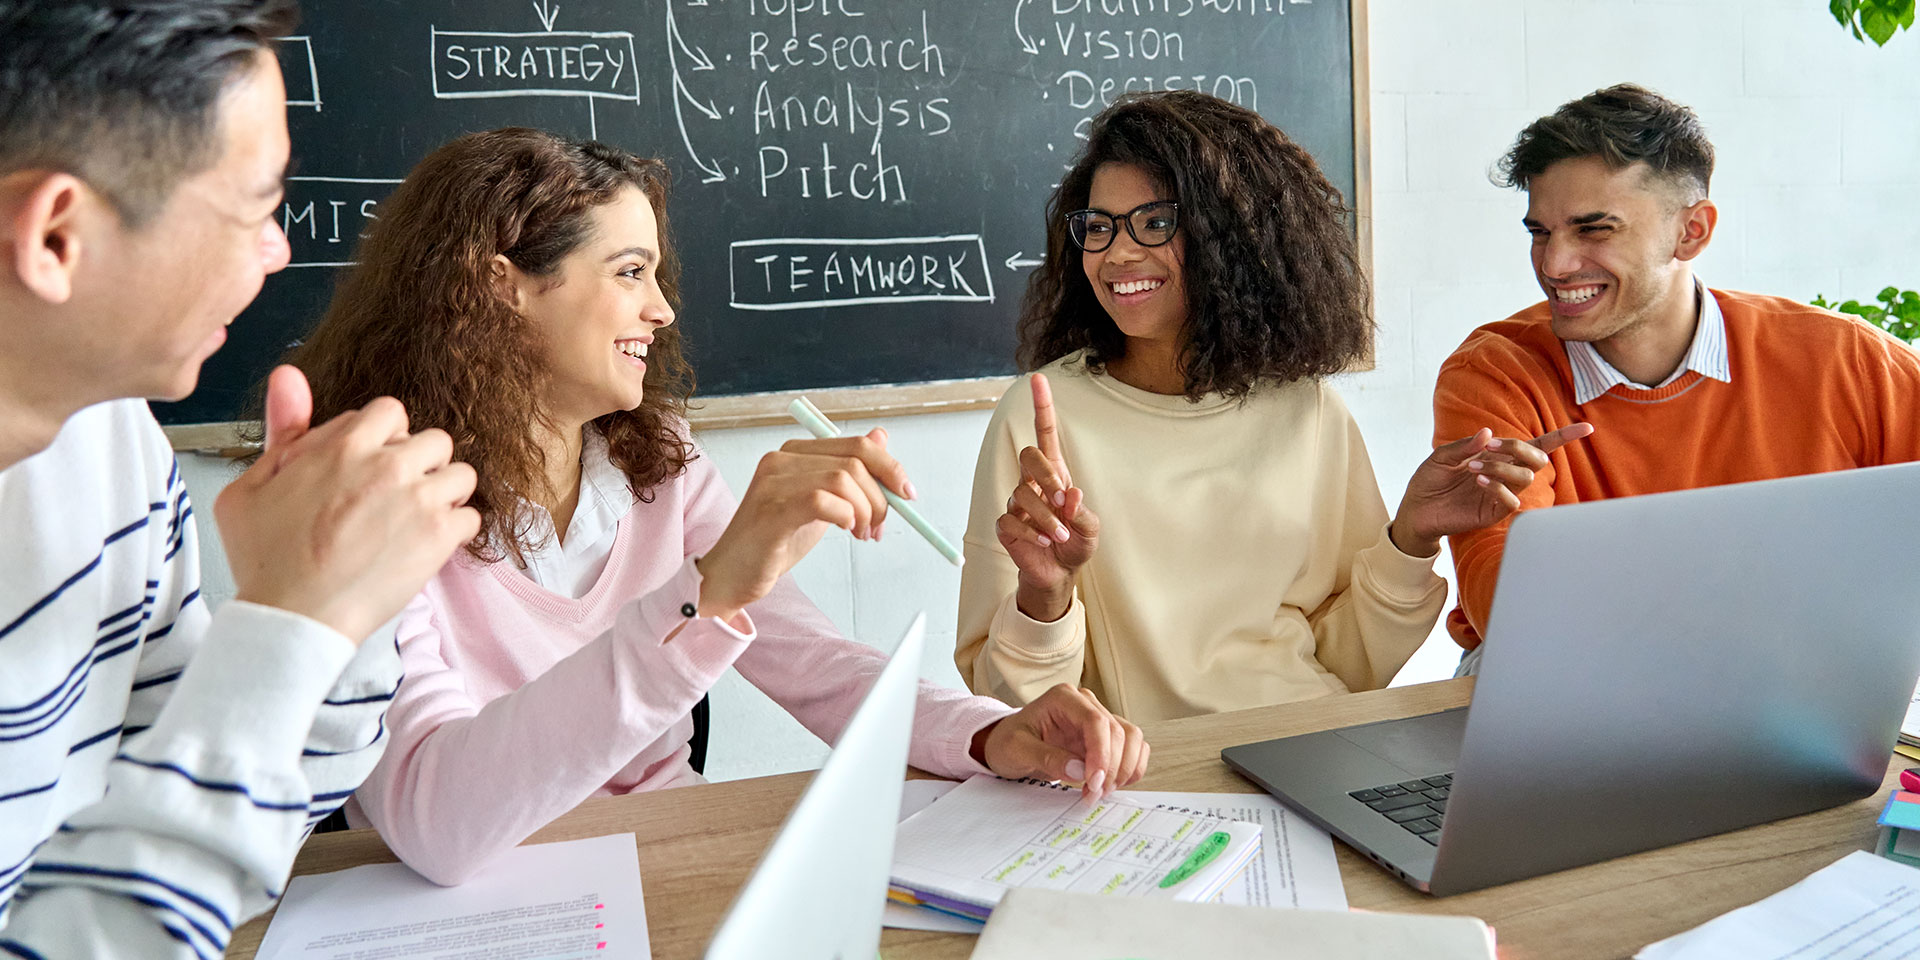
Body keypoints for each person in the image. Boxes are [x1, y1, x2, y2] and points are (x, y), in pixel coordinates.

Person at [271, 127, 1152, 886]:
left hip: (665, 858)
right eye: (629, 271)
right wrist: (709, 594)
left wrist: (995, 735)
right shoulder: (371, 499)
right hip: (472, 908)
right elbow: (432, 820)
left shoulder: (660, 462)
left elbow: (822, 668)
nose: (661, 309)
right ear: (502, 286)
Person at [0, 2, 480, 956]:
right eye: (257, 206)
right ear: (56, 235)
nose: (280, 250)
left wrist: (339, 608)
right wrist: (288, 627)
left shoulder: (110, 440)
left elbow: (229, 842)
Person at [954, 90, 1588, 723]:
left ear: (1230, 236)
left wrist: (1412, 536)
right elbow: (1009, 708)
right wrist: (1046, 595)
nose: (1117, 253)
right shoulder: (1040, 418)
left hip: (1309, 743)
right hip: (1141, 775)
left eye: (1155, 223)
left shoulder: (1307, 409)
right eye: (1098, 227)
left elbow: (1347, 666)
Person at [1434, 83, 1920, 672]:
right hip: (1561, 670)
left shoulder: (1853, 363)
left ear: (1692, 231)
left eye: (1594, 229)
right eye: (1540, 232)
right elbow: (1508, 610)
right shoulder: (1494, 371)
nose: (1555, 265)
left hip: (1797, 667)